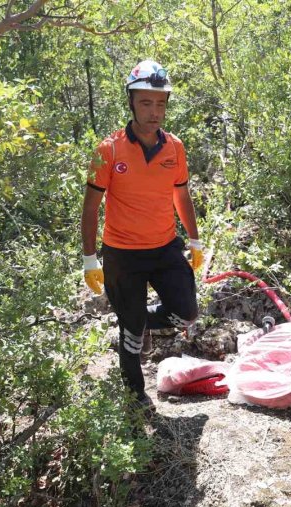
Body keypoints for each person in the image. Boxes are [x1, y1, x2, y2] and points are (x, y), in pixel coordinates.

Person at [81, 59, 204, 411]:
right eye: (146, 102)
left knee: (186, 313)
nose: (155, 111)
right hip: (122, 253)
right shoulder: (110, 150)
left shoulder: (175, 148)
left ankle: (132, 317)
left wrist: (194, 240)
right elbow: (91, 207)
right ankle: (136, 397)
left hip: (165, 247)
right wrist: (90, 259)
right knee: (133, 334)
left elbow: (181, 195)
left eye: (161, 103)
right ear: (132, 102)